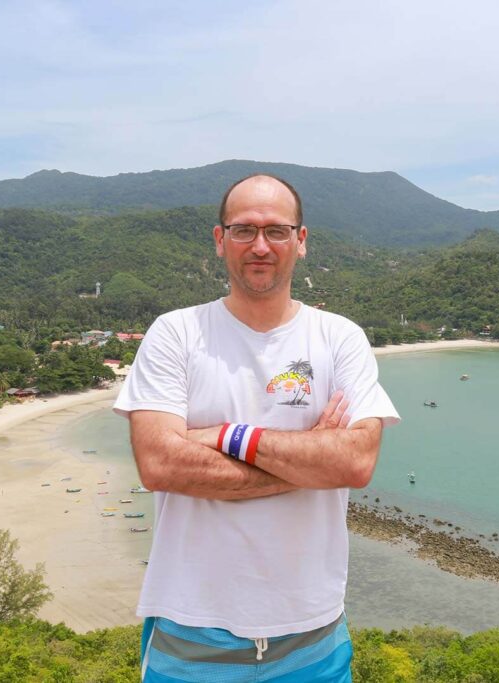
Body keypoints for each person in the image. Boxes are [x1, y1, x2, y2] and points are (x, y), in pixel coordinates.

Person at [114, 174, 400, 682]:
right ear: (220, 240)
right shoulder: (176, 333)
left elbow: (356, 462)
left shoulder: (339, 339)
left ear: (301, 241)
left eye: (277, 231)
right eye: (244, 230)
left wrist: (225, 437)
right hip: (191, 634)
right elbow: (159, 464)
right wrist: (312, 460)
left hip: (313, 638)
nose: (261, 246)